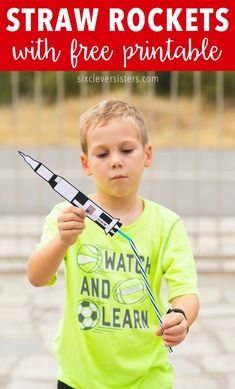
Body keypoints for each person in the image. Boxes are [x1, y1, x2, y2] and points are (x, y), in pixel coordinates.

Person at [27, 99, 199, 389]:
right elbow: (37, 276)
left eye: (127, 150)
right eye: (102, 153)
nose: (116, 161)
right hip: (79, 379)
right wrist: (62, 241)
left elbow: (186, 292)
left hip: (147, 379)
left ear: (147, 154)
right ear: (86, 164)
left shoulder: (167, 225)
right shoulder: (65, 218)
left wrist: (181, 316)